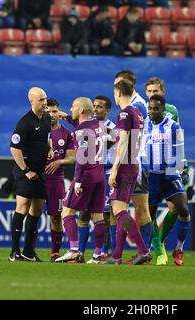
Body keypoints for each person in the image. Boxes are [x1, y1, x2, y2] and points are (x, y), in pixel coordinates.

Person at [102, 79, 151, 265]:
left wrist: (114, 169)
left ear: (118, 93)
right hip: (134, 164)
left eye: (115, 93)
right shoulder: (137, 113)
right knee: (120, 210)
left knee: (119, 211)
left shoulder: (124, 113)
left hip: (124, 165)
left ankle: (143, 250)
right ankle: (117, 255)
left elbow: (123, 141)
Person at [54, 97, 107, 264]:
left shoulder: (80, 132)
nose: (70, 109)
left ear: (82, 110)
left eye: (73, 107)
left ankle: (74, 250)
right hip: (100, 174)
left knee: (67, 211)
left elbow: (82, 158)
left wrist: (77, 181)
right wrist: (66, 118)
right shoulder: (98, 125)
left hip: (86, 176)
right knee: (98, 216)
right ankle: (98, 255)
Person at [144, 95, 190, 266]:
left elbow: (179, 151)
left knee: (183, 209)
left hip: (170, 173)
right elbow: (137, 150)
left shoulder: (174, 127)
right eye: (150, 108)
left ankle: (178, 248)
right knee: (151, 214)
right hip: (152, 175)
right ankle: (158, 250)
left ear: (163, 109)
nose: (151, 112)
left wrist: (179, 169)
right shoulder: (143, 126)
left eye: (155, 108)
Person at [9, 87, 52, 262]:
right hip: (25, 172)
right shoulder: (25, 122)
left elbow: (47, 138)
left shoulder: (47, 118)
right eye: (41, 100)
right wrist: (26, 171)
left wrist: (49, 149)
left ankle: (28, 251)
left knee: (37, 210)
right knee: (23, 206)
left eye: (45, 98)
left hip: (40, 171)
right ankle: (14, 251)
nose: (45, 102)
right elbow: (14, 148)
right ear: (31, 102)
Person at [76, 95, 116, 261]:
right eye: (94, 106)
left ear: (107, 110)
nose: (96, 109)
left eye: (100, 106)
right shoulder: (89, 126)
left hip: (106, 174)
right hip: (90, 174)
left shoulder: (112, 129)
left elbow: (115, 151)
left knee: (106, 215)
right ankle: (80, 252)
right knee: (84, 213)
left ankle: (107, 252)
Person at [44, 98, 75, 261]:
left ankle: (55, 252)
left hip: (56, 181)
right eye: (48, 111)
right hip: (37, 179)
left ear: (59, 112)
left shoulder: (66, 134)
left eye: (54, 111)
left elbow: (72, 158)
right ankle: (28, 251)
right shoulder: (35, 129)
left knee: (56, 217)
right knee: (32, 215)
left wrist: (59, 161)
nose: (51, 114)